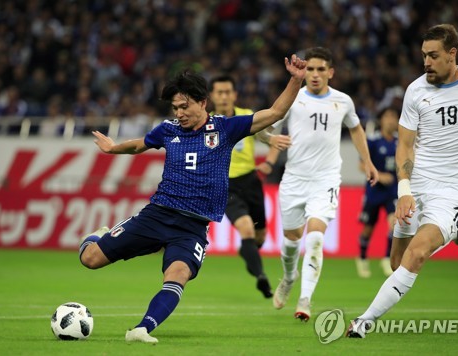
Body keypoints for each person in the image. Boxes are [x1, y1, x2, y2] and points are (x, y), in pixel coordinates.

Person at [78, 54, 307, 343]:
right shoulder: (168, 130)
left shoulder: (225, 129)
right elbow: (140, 145)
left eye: (184, 106)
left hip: (192, 229)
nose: (179, 113)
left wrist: (296, 80)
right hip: (157, 215)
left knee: (178, 275)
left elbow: (274, 112)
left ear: (202, 102)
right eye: (175, 108)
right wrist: (114, 149)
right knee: (90, 259)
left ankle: (142, 329)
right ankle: (99, 236)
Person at [347, 24, 458, 338]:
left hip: (452, 191)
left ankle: (363, 322)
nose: (426, 61)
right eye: (423, 55)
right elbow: (404, 144)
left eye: (433, 55)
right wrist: (404, 191)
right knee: (398, 260)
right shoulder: (416, 90)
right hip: (416, 186)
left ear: (452, 54)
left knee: (416, 255)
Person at [266, 47, 379, 321]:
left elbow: (355, 128)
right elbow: (264, 124)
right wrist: (268, 140)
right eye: (310, 69)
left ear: (330, 72)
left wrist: (368, 162)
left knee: (315, 238)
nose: (314, 75)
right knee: (292, 239)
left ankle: (305, 300)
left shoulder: (343, 101)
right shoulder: (293, 99)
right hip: (294, 178)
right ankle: (289, 277)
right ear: (304, 73)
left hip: (326, 179)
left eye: (320, 69)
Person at [208, 74, 291, 298]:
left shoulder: (246, 117)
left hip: (251, 182)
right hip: (225, 185)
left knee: (259, 237)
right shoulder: (207, 123)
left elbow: (268, 137)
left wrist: (269, 163)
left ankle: (248, 252)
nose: (224, 97)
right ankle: (261, 276)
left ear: (234, 95)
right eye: (219, 92)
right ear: (212, 96)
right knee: (246, 228)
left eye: (228, 92)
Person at [356, 107, 399, 278]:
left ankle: (387, 258)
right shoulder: (373, 141)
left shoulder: (400, 142)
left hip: (393, 191)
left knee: (395, 223)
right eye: (387, 116)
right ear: (381, 121)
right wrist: (379, 176)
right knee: (368, 229)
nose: (390, 120)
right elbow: (361, 165)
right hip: (374, 191)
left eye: (393, 117)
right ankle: (362, 258)